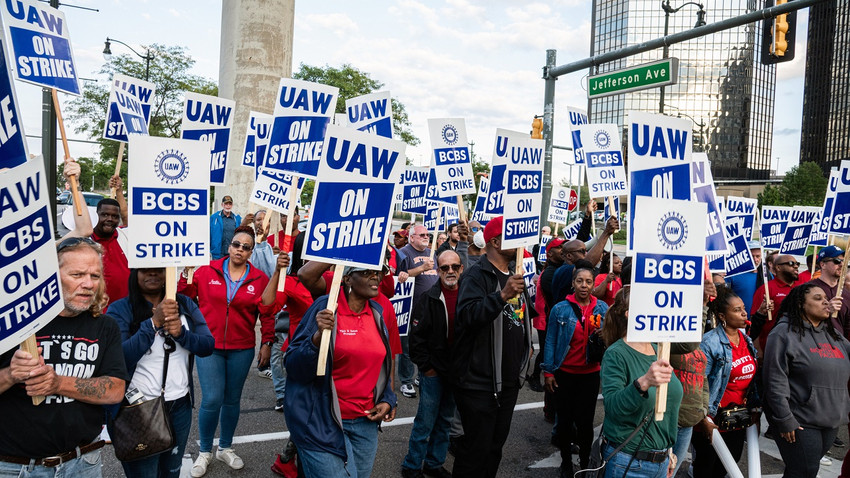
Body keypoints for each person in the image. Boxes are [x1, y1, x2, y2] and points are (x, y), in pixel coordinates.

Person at [0, 237, 128, 477]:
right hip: (15, 467)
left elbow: (115, 390)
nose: (88, 284)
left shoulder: (105, 326)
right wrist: (10, 374)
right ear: (50, 275)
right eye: (77, 275)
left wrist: (58, 384)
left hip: (82, 463)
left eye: (95, 276)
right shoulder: (12, 324)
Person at [284, 266, 398, 478]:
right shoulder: (326, 307)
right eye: (366, 272)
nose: (375, 276)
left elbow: (382, 365)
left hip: (365, 422)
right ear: (347, 279)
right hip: (321, 421)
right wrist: (316, 339)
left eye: (379, 272)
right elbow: (293, 366)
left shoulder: (377, 313)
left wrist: (388, 398)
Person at [178, 226, 273, 477]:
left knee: (232, 400)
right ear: (229, 246)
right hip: (209, 346)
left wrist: (267, 342)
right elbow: (184, 297)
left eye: (245, 247)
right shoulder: (206, 270)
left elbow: (268, 313)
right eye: (236, 244)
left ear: (251, 252)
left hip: (241, 348)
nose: (239, 249)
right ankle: (205, 451)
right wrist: (186, 274)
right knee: (211, 399)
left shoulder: (260, 279)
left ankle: (226, 447)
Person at [107, 268, 215, 477]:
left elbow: (207, 345)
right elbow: (118, 359)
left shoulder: (184, 304)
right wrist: (152, 324)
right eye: (145, 269)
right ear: (134, 272)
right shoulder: (120, 309)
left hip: (179, 407)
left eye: (159, 269)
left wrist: (182, 334)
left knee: (171, 472)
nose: (153, 274)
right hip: (138, 409)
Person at [451, 216, 535, 478]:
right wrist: (501, 296)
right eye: (514, 238)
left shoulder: (514, 274)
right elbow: (467, 317)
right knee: (475, 452)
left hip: (508, 381)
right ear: (496, 242)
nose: (521, 244)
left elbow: (523, 319)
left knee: (494, 449)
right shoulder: (477, 275)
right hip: (479, 383)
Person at [763, 283, 850, 478]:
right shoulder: (783, 333)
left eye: (826, 299)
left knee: (803, 471)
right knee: (805, 470)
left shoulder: (833, 334)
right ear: (801, 304)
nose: (825, 303)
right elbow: (774, 380)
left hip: (829, 418)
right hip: (799, 419)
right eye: (818, 299)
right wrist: (784, 419)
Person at [599, 287, 682, 478]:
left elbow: (666, 410)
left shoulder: (659, 349)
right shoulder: (616, 354)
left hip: (661, 463)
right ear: (630, 314)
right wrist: (643, 382)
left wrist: (668, 452)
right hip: (628, 463)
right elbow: (612, 407)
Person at [542, 266, 609, 478]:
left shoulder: (602, 309)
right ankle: (565, 462)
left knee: (585, 422)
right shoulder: (560, 309)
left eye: (588, 282)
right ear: (573, 283)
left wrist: (605, 333)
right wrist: (548, 372)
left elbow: (614, 338)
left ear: (593, 284)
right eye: (580, 281)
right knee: (564, 421)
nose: (584, 286)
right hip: (564, 373)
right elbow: (550, 340)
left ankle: (585, 461)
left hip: (590, 374)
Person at [402, 250, 464, 478]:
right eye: (444, 267)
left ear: (461, 269)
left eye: (454, 267)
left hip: (455, 372)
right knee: (425, 423)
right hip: (433, 372)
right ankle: (411, 465)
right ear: (437, 270)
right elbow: (415, 338)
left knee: (446, 421)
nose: (450, 271)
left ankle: (434, 463)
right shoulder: (428, 297)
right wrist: (427, 368)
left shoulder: (468, 295)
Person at [692, 286, 759, 478]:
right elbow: (699, 383)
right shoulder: (709, 342)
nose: (744, 313)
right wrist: (704, 418)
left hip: (738, 417)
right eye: (737, 310)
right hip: (713, 418)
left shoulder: (746, 340)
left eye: (744, 308)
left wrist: (755, 408)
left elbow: (752, 380)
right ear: (722, 315)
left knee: (728, 465)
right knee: (706, 467)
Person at [62, 161, 131, 306]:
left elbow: (126, 215)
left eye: (114, 216)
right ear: (96, 215)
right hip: (95, 309)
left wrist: (119, 191)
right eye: (105, 215)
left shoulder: (124, 235)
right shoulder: (84, 242)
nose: (110, 219)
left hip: (125, 309)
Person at [260, 233, 314, 413]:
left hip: (331, 350)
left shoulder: (335, 279)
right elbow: (268, 308)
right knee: (301, 405)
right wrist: (277, 272)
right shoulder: (290, 282)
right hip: (302, 350)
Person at [750, 253, 804, 353]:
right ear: (778, 267)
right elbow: (754, 320)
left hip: (798, 344)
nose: (796, 266)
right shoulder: (766, 289)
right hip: (772, 345)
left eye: (797, 263)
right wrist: (757, 348)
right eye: (791, 263)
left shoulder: (801, 288)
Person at [809, 246, 850, 338]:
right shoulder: (806, 290)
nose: (841, 265)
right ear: (823, 264)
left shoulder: (847, 294)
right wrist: (826, 310)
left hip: (840, 347)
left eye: (844, 261)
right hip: (813, 346)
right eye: (837, 261)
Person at [725, 240, 764, 315]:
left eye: (758, 256)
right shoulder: (732, 275)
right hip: (738, 320)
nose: (755, 260)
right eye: (751, 256)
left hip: (761, 321)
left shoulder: (766, 275)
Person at [210, 195, 242, 260]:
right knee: (217, 270)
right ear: (222, 205)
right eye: (226, 204)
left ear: (232, 205)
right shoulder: (214, 218)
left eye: (230, 204)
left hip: (232, 253)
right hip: (217, 253)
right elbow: (208, 234)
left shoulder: (237, 218)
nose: (228, 206)